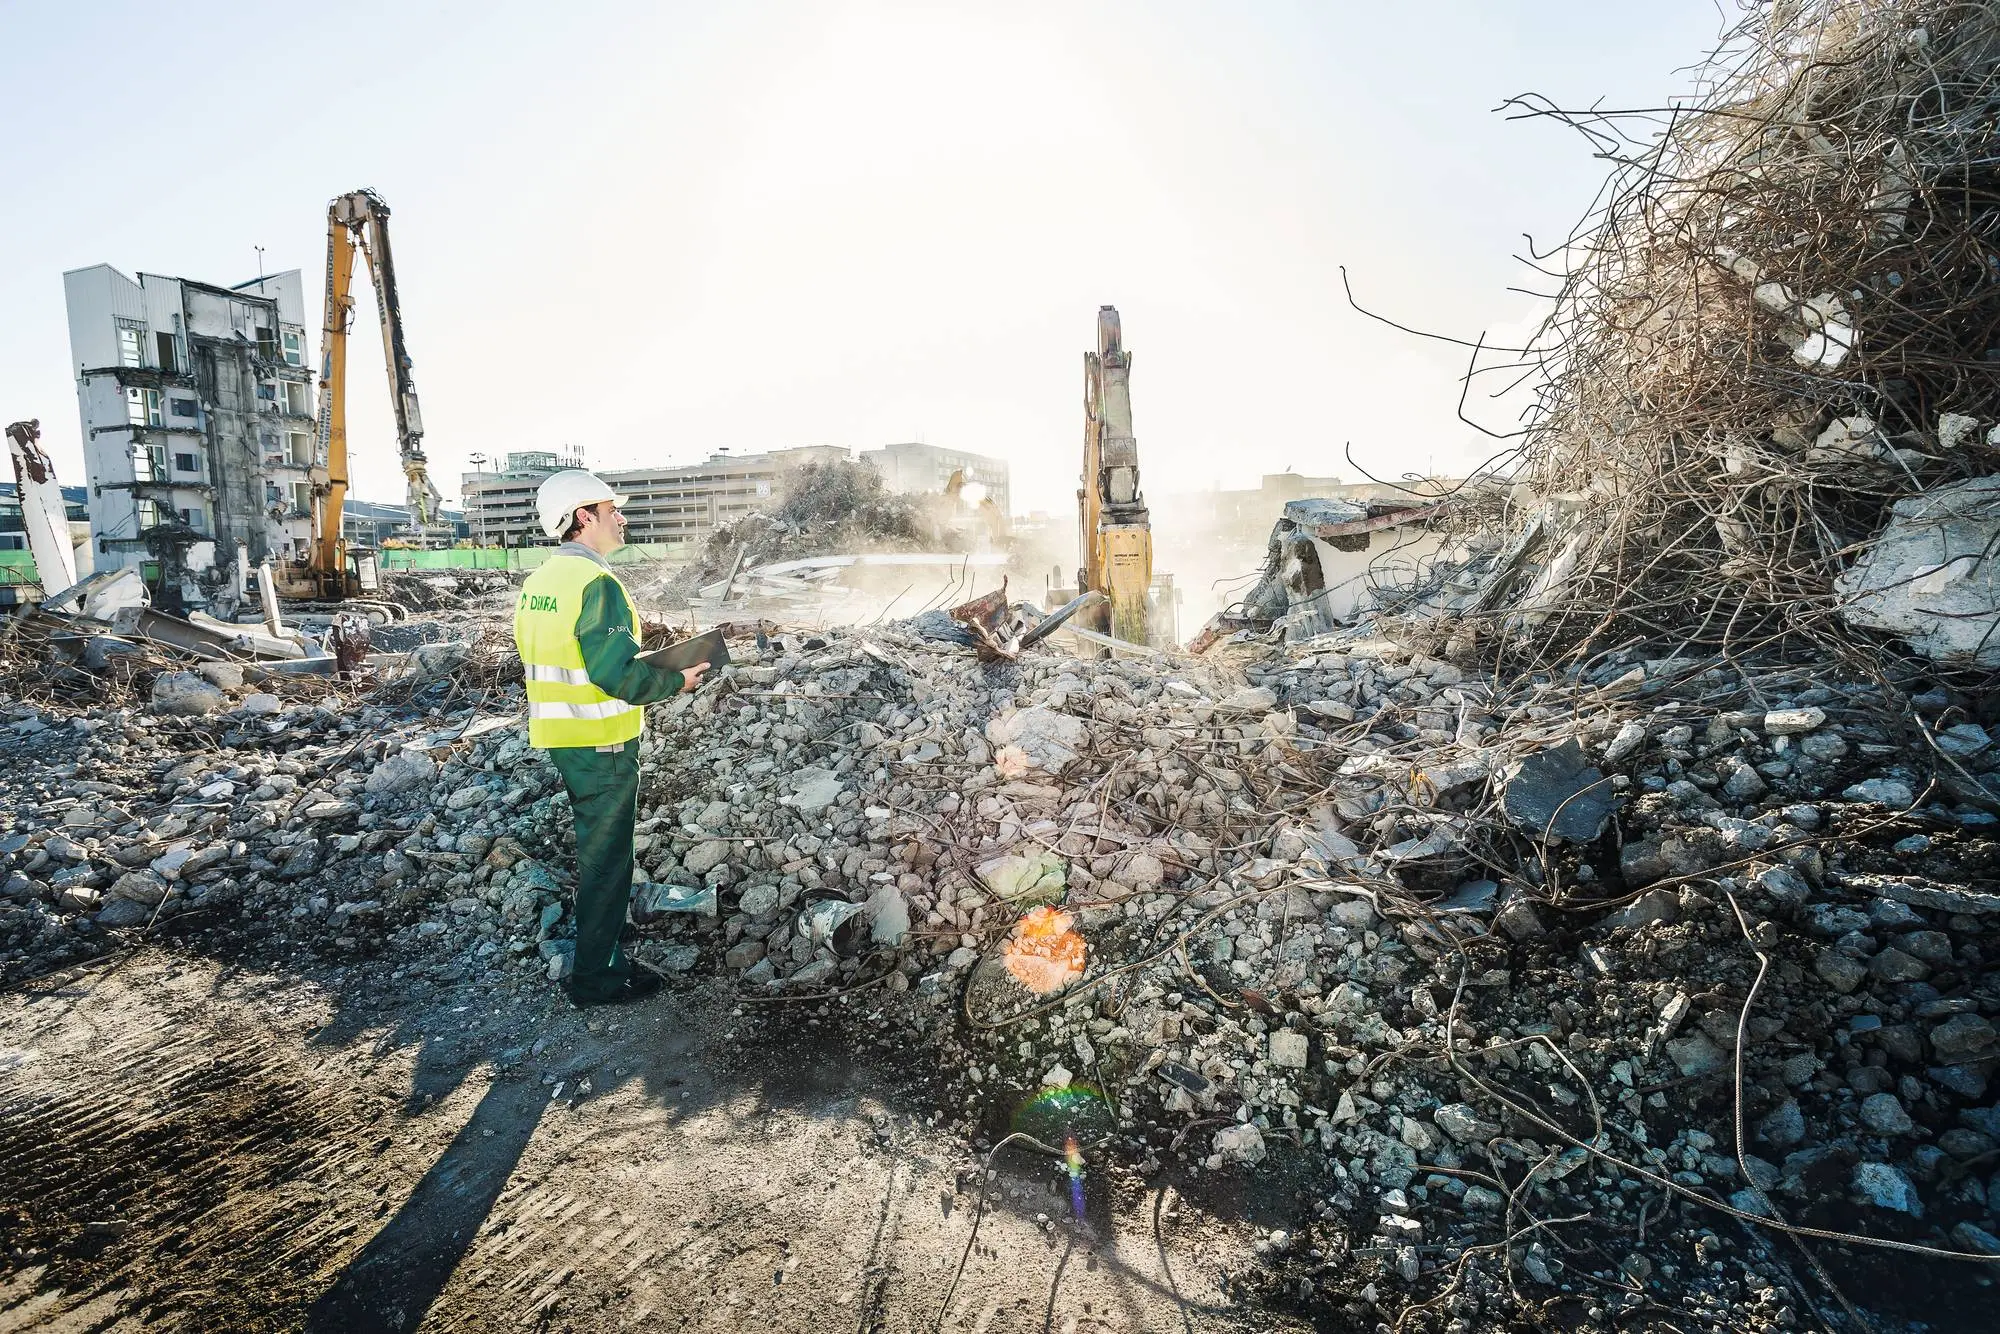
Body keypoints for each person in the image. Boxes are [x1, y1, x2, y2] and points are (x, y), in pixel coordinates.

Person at [513, 469, 711, 1007]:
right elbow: (614, 675)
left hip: (565, 736)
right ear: (584, 517)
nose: (621, 517)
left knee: (601, 856)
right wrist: (677, 678)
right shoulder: (596, 584)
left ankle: (602, 953)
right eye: (611, 508)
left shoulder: (540, 583)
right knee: (607, 862)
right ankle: (596, 977)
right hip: (601, 741)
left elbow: (569, 661)